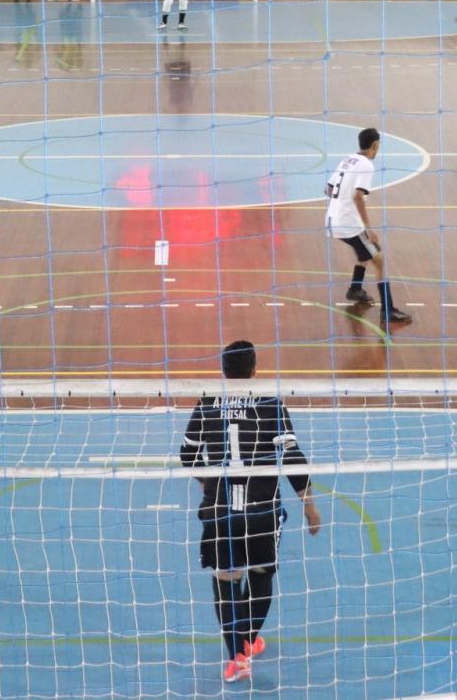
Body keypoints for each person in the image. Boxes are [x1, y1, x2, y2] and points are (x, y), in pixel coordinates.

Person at [179, 340, 323, 684]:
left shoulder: (208, 401)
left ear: (224, 372)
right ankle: (248, 640)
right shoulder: (270, 403)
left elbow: (187, 454)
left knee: (226, 580)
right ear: (255, 370)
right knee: (260, 575)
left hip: (220, 510)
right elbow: (291, 456)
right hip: (261, 510)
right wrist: (309, 505)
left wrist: (207, 482)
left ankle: (236, 658)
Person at [324, 127, 412, 324]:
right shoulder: (366, 165)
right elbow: (357, 197)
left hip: (332, 221)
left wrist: (339, 206)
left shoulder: (347, 160)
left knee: (365, 252)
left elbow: (328, 189)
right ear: (376, 145)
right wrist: (368, 227)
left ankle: (355, 289)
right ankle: (387, 310)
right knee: (379, 259)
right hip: (349, 224)